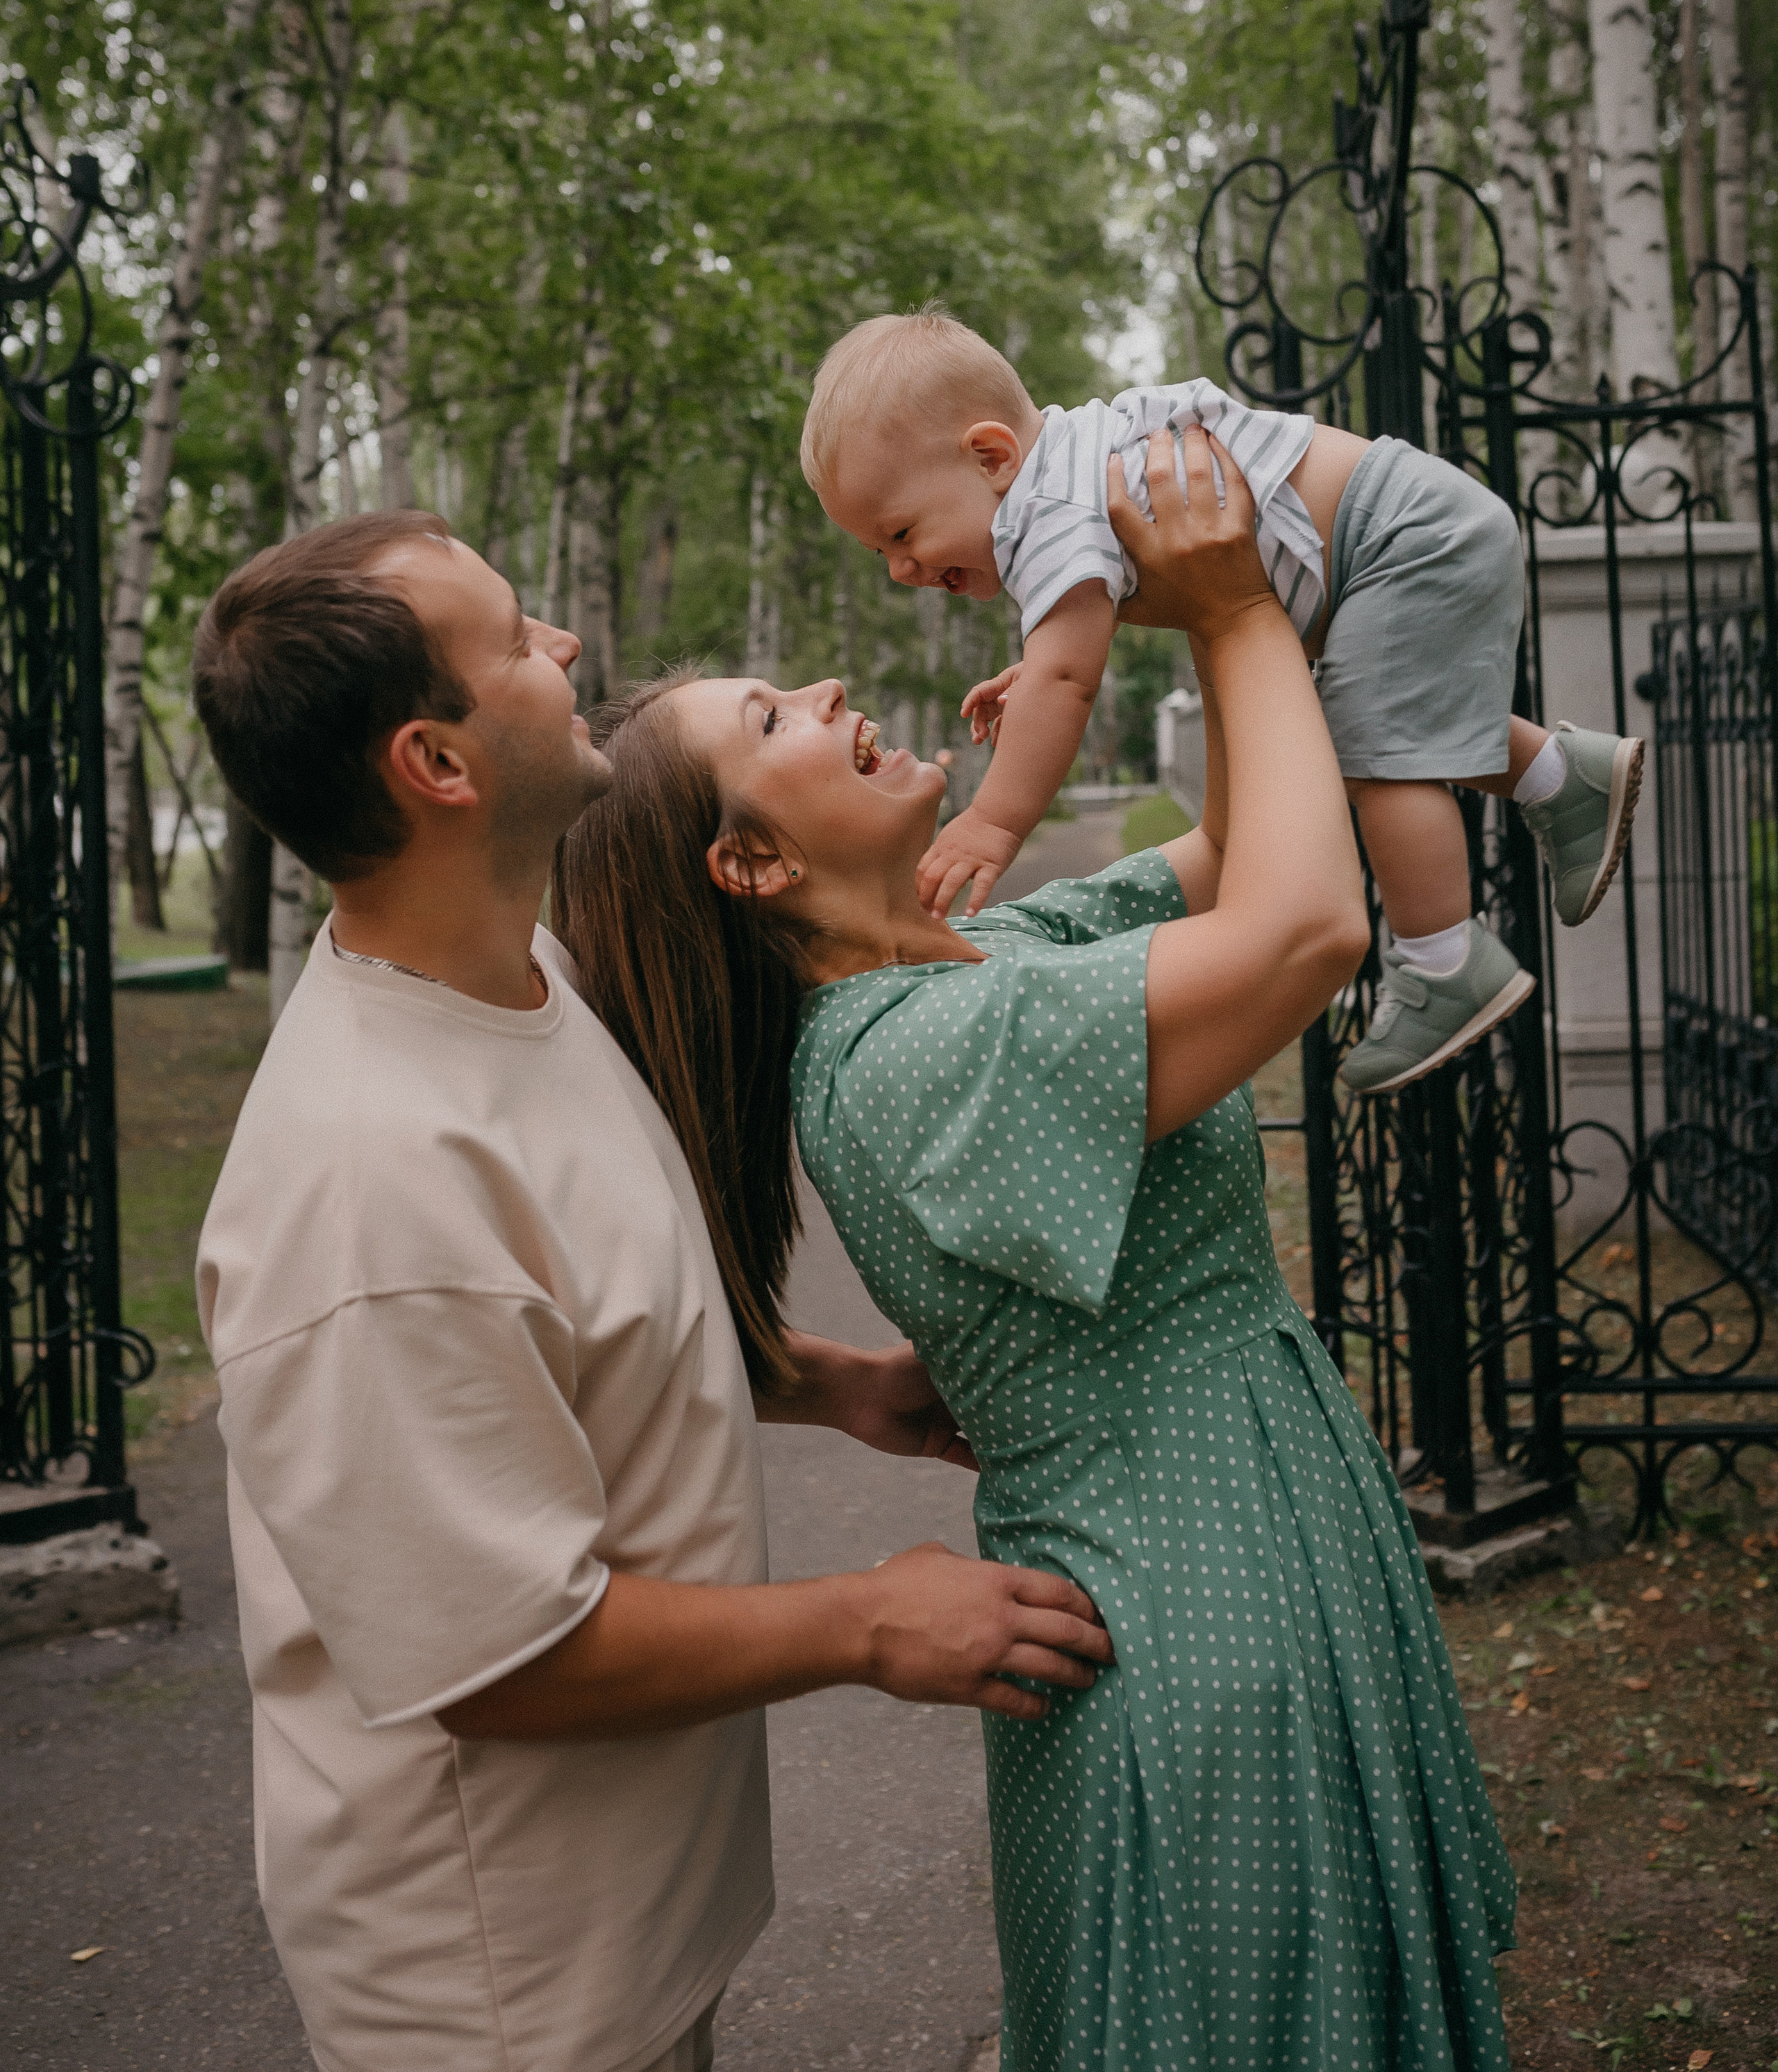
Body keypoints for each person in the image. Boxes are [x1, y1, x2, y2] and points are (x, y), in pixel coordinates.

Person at [554, 430, 1517, 2072]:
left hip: (1267, 1522)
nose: (831, 682)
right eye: (772, 719)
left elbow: (1253, 846)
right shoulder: (910, 1053)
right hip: (1189, 1615)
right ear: (753, 864)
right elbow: (1301, 927)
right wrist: (1227, 614)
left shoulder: (985, 939)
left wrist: (1162, 608)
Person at [190, 509, 1111, 2072]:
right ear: (439, 764)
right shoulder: (366, 1186)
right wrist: (869, 1621)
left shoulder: (520, 982)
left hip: (623, 1930)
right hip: (502, 1994)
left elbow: (552, 1336)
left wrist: (828, 1384)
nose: (564, 651)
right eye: (516, 641)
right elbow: (505, 1655)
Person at [798, 306, 1643, 1094]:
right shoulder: (1065, 473)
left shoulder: (1042, 509)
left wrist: (995, 820)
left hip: (1394, 540)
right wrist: (1038, 671)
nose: (901, 570)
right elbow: (1065, 657)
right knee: (1398, 717)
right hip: (1410, 523)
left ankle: (1444, 962)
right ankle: (1562, 776)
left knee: (1375, 752)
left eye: (902, 533)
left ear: (989, 458)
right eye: (881, 551)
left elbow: (1069, 677)